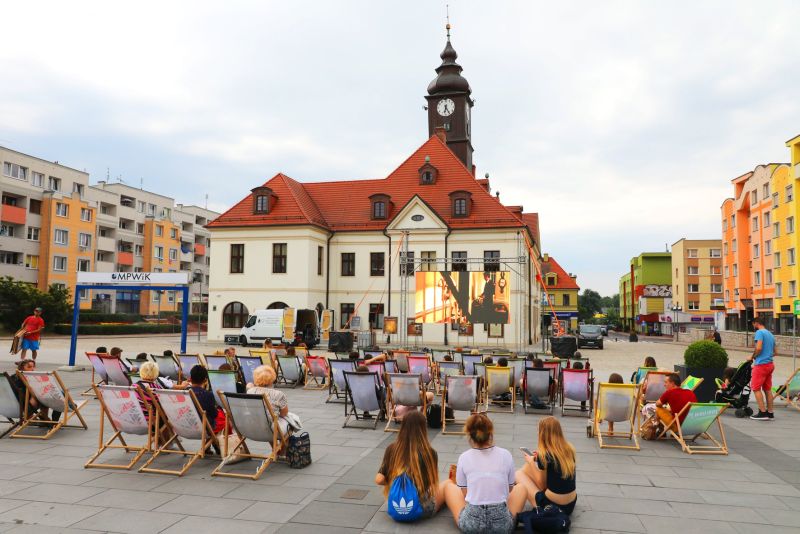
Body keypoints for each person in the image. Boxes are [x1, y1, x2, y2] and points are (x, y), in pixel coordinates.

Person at [442, 413, 527, 533]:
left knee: (449, 487)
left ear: (469, 435)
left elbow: (465, 494)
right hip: (502, 525)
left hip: (472, 523)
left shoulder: (464, 457)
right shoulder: (505, 454)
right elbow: (510, 489)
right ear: (490, 433)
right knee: (522, 488)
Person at [376, 411, 446, 520]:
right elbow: (432, 483)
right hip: (422, 509)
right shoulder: (430, 452)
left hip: (395, 505)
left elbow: (379, 480)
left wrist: (395, 483)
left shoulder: (391, 449)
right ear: (424, 429)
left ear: (403, 427)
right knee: (447, 485)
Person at [516, 416, 577, 516]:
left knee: (518, 474)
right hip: (570, 505)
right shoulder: (569, 449)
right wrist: (537, 459)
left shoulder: (544, 454)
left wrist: (531, 462)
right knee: (528, 469)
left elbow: (542, 485)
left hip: (552, 507)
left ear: (543, 434)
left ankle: (513, 496)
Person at [246, 365, 299, 441]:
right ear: (272, 377)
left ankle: (275, 448)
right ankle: (282, 450)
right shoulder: (278, 394)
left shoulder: (250, 391)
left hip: (252, 428)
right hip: (271, 430)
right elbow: (284, 413)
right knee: (292, 423)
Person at [176, 365, 227, 435]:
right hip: (205, 427)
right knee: (224, 418)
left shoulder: (184, 393)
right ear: (205, 380)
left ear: (190, 378)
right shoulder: (208, 395)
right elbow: (214, 414)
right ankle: (215, 443)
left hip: (186, 426)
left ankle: (210, 443)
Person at [749, 317, 776, 420]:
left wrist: (752, 357)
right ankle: (770, 413)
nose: (753, 326)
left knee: (755, 388)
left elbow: (759, 348)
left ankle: (762, 412)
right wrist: (767, 356)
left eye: (753, 324)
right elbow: (775, 352)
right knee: (767, 389)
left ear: (756, 323)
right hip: (770, 365)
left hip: (761, 365)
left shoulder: (760, 332)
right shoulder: (771, 334)